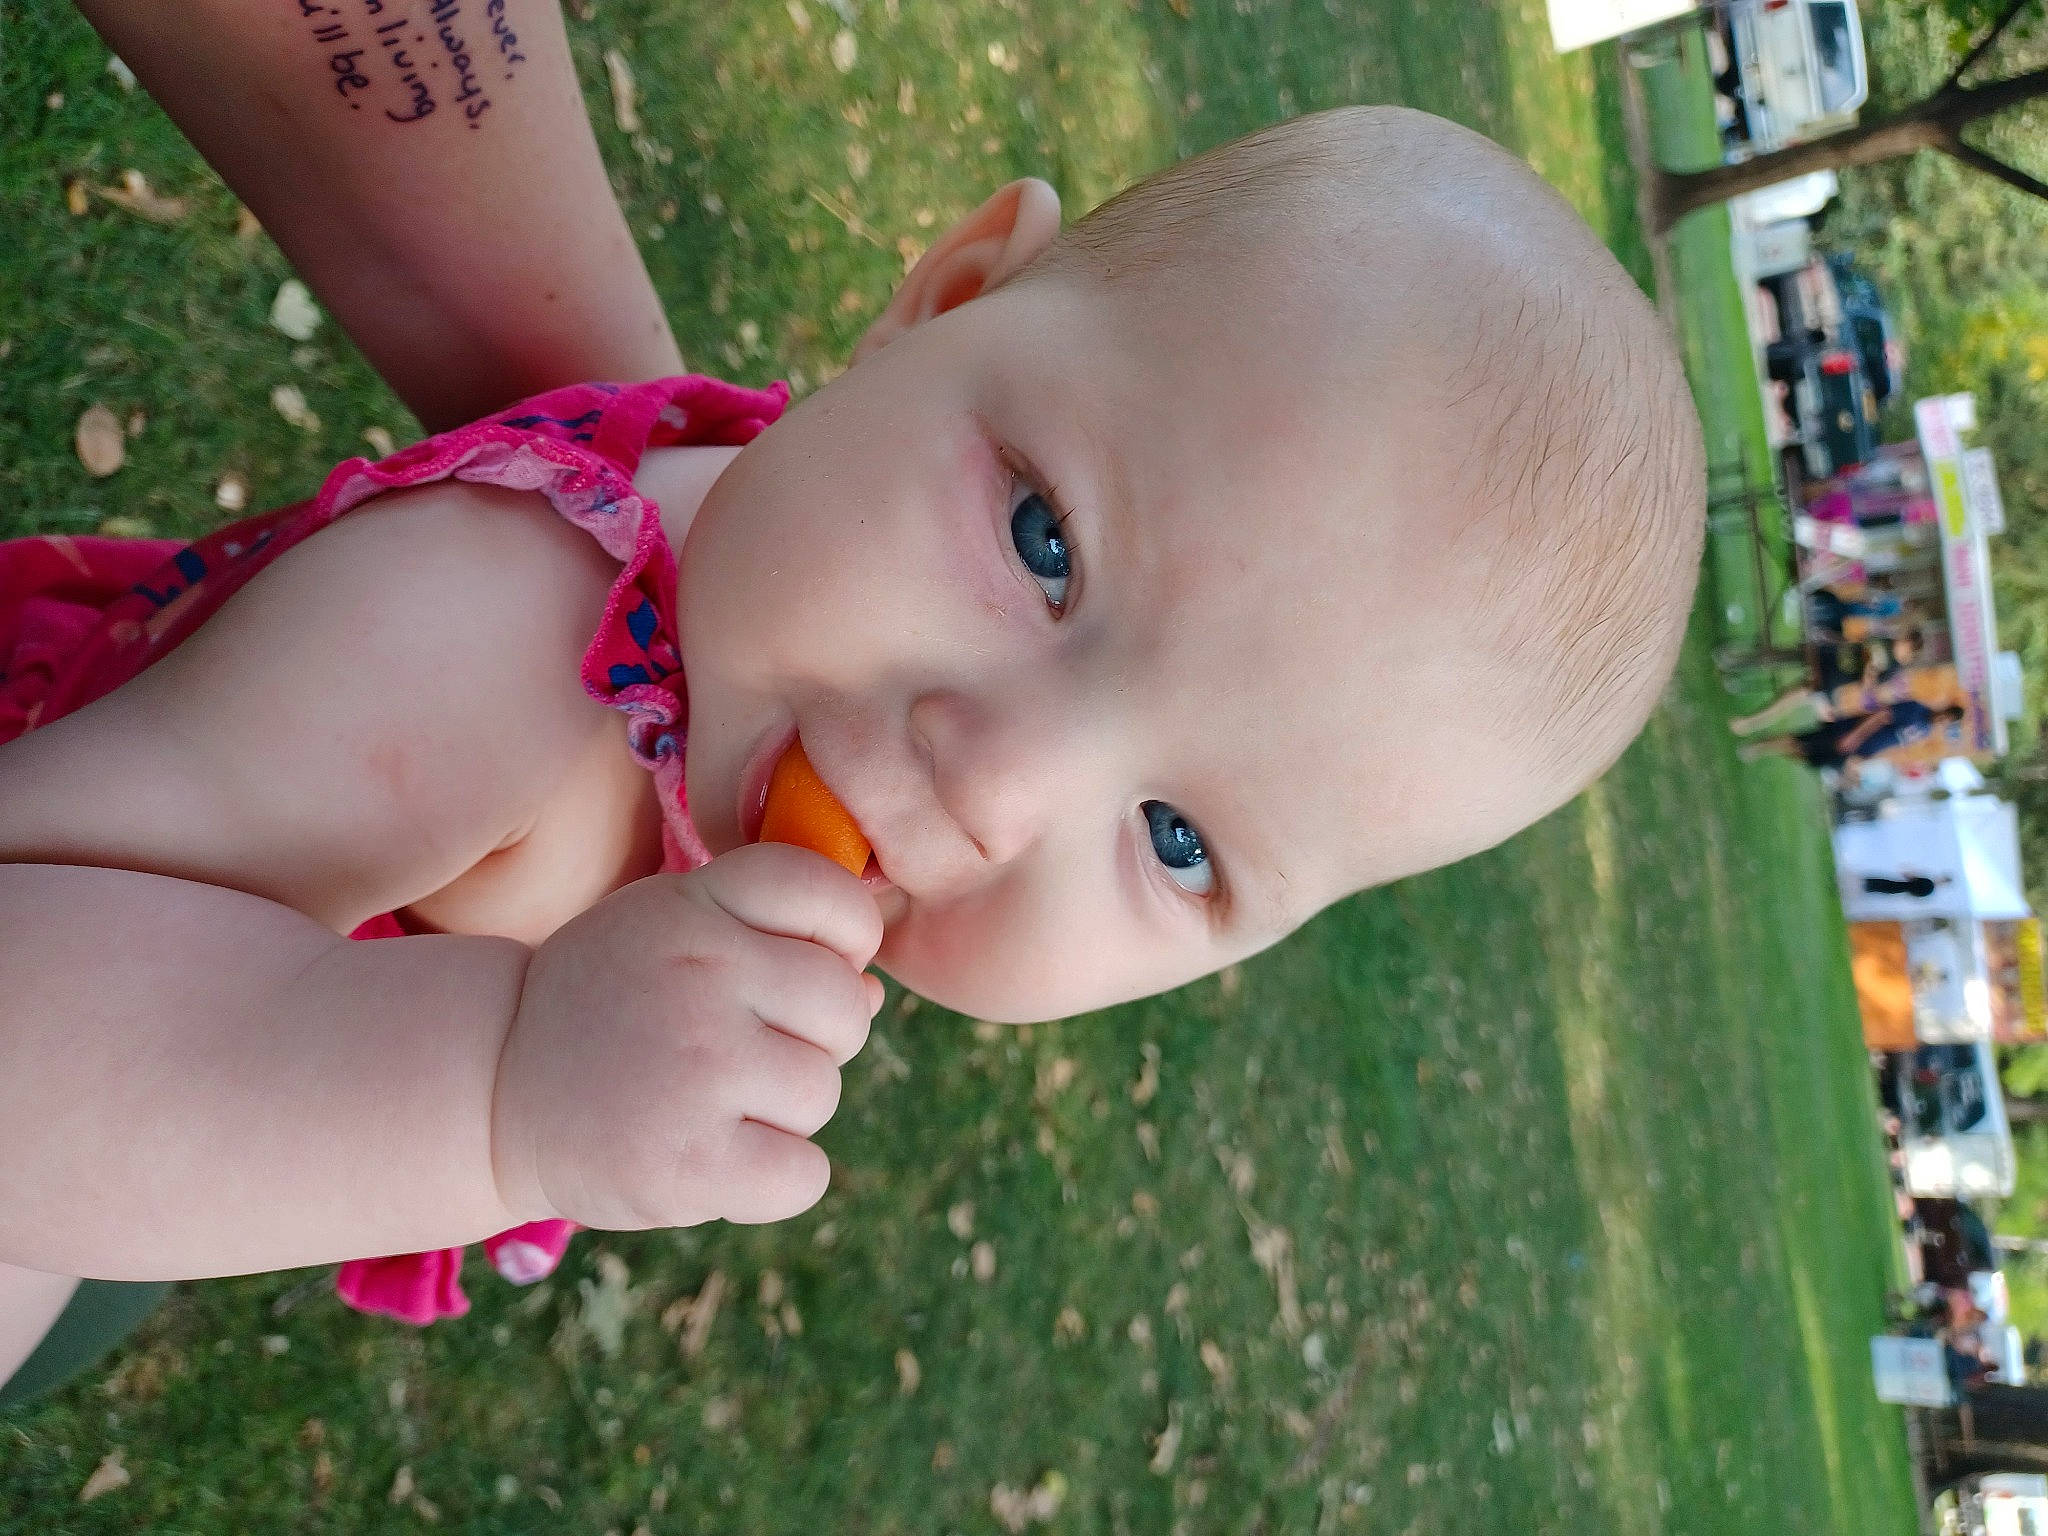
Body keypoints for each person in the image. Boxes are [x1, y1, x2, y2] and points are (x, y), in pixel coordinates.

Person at [0, 7, 1707, 1400]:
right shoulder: (485, 642)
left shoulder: (751, 609)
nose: (998, 787)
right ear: (944, 299)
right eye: (1044, 543)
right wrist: (489, 1091)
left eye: (1174, 838)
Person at [1738, 701, 1965, 768]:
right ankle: (1758, 747)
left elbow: (1893, 743)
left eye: (1946, 722)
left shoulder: (1925, 731)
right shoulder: (1916, 708)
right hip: (1849, 733)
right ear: (1942, 709)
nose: (1942, 721)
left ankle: (1766, 748)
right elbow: (1879, 717)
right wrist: (1854, 736)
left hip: (1860, 750)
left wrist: (1865, 758)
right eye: (1944, 716)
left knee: (1809, 757)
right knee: (1803, 741)